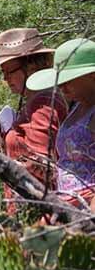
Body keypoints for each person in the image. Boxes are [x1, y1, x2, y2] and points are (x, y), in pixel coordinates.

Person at [0, 28, 68, 196]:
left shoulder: (42, 106)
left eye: (9, 71)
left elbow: (44, 165)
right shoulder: (38, 102)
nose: (5, 78)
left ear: (32, 66)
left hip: (39, 207)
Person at [27, 38, 95, 211]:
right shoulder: (76, 106)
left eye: (68, 80)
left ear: (91, 76)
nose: (62, 87)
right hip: (68, 202)